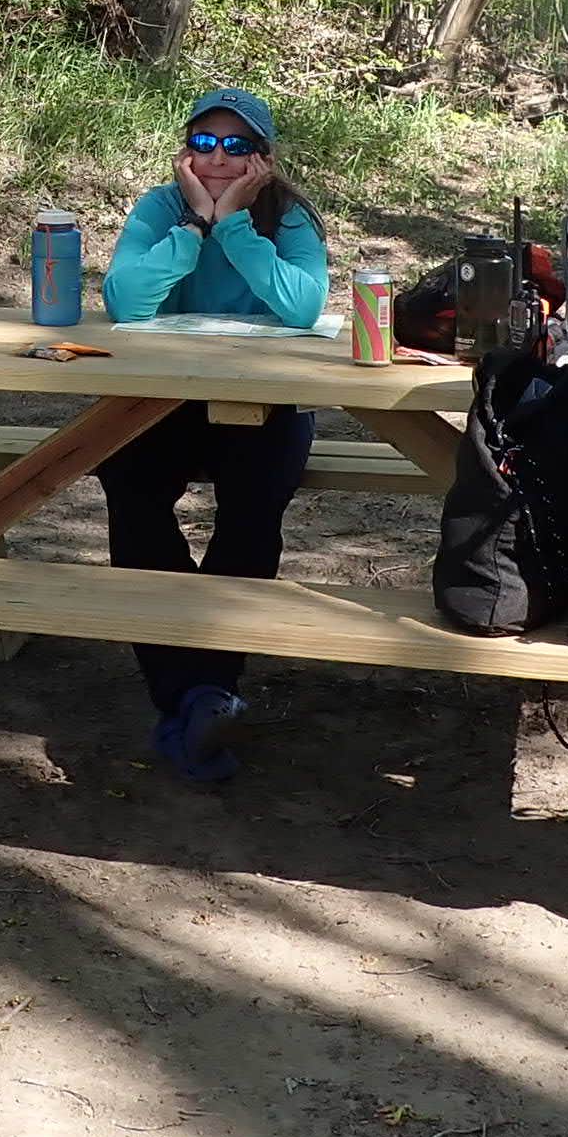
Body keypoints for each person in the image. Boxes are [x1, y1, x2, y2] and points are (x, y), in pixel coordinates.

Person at [96, 88, 329, 785]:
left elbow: (303, 305)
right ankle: (194, 694)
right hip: (163, 403)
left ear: (262, 158)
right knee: (128, 490)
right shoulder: (159, 208)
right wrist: (196, 225)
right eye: (204, 143)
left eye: (235, 146)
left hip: (268, 404)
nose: (217, 158)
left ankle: (202, 690)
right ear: (184, 152)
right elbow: (125, 301)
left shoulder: (287, 216)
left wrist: (233, 228)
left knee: (253, 511)